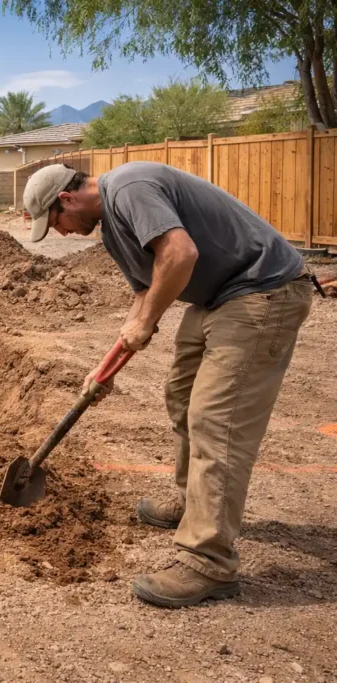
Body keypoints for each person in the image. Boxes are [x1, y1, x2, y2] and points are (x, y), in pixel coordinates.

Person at [24, 161, 315, 607]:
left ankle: (208, 562)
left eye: (55, 222)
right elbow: (145, 292)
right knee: (181, 395)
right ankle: (191, 503)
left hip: (261, 290)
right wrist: (105, 368)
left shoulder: (129, 186)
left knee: (217, 420)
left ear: (66, 199)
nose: (60, 233)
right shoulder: (112, 229)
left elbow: (179, 254)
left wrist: (144, 325)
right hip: (218, 298)